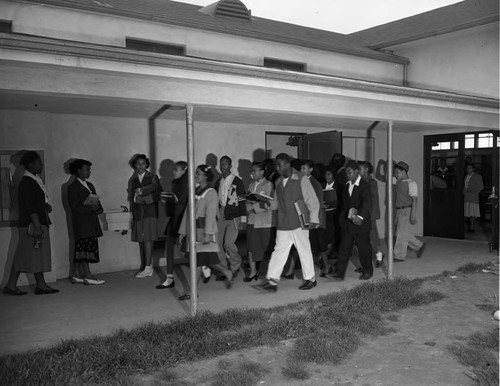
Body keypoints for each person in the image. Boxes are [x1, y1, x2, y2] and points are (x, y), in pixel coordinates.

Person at [253, 153, 320, 292]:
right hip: (283, 222)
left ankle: (311, 279)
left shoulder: (301, 179)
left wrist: (314, 219)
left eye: (280, 165)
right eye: (276, 165)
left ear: (288, 164)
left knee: (304, 249)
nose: (277, 168)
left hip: (299, 221)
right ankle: (272, 282)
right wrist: (266, 202)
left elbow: (312, 200)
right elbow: (276, 203)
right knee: (278, 251)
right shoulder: (278, 181)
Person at [3, 151, 59, 295]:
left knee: (31, 255)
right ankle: (17, 286)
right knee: (28, 254)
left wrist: (45, 206)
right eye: (39, 162)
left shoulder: (34, 180)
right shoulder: (27, 182)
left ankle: (37, 285)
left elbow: (36, 202)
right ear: (31, 164)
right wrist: (38, 225)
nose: (41, 164)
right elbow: (29, 206)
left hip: (35, 223)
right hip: (32, 225)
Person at [177, 165, 234, 300]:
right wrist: (183, 232)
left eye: (199, 174)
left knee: (199, 261)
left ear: (206, 177)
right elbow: (187, 212)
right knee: (202, 260)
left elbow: (211, 213)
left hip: (203, 232)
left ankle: (193, 292)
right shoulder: (196, 190)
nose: (196, 176)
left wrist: (208, 233)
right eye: (196, 173)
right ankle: (226, 272)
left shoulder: (211, 192)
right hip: (193, 231)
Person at [328, 161, 373, 281]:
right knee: (344, 248)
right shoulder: (346, 186)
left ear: (357, 172)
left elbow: (366, 203)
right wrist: (341, 221)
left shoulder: (364, 185)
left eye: (350, 172)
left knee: (363, 248)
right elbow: (343, 206)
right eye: (346, 172)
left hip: (360, 224)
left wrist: (360, 217)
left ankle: (368, 271)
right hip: (347, 224)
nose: (347, 174)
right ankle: (339, 273)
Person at [68, 159, 105, 285]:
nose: (89, 172)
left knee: (82, 248)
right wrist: (90, 208)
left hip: (91, 221)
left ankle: (77, 274)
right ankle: (88, 275)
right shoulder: (72, 187)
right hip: (81, 223)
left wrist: (98, 207)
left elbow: (95, 201)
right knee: (84, 249)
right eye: (87, 169)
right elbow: (74, 207)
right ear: (79, 170)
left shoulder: (89, 185)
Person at [128, 154, 162, 278]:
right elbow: (133, 199)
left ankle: (147, 267)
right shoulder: (133, 180)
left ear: (146, 164)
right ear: (135, 165)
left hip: (150, 212)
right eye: (138, 164)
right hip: (139, 213)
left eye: (143, 163)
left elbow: (158, 194)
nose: (141, 166)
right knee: (142, 240)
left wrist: (146, 200)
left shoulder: (153, 177)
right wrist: (133, 214)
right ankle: (148, 266)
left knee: (148, 239)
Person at [157, 161, 189, 289]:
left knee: (190, 250)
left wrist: (174, 199)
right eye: (174, 169)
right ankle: (169, 278)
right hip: (175, 218)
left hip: (185, 218)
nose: (173, 172)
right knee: (169, 246)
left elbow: (183, 204)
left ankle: (205, 268)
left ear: (183, 171)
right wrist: (166, 201)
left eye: (176, 169)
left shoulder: (187, 182)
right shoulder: (175, 182)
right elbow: (175, 205)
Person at [214, 155, 247, 277]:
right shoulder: (218, 182)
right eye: (221, 164)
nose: (223, 166)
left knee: (228, 243)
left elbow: (242, 201)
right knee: (218, 242)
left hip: (235, 215)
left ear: (230, 166)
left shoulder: (237, 181)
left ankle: (236, 264)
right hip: (221, 213)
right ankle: (223, 269)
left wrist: (243, 219)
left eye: (225, 164)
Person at [245, 161, 275, 282]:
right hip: (252, 220)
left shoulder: (268, 185)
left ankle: (267, 271)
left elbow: (269, 202)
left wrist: (255, 206)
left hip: (264, 221)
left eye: (255, 170)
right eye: (251, 170)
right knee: (251, 247)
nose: (252, 173)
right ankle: (253, 271)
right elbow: (247, 200)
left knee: (264, 246)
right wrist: (249, 207)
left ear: (262, 172)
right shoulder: (251, 185)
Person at [300, 160, 330, 276]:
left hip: (316, 218)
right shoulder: (301, 181)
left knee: (321, 244)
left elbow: (317, 203)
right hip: (306, 216)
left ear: (311, 170)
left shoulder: (315, 183)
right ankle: (314, 265)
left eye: (304, 169)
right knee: (311, 243)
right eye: (301, 169)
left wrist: (315, 220)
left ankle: (326, 266)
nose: (302, 171)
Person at [393, 161, 425, 261]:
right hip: (398, 210)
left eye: (397, 172)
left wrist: (413, 215)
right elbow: (381, 177)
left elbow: (415, 200)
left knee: (400, 234)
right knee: (402, 233)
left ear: (403, 171)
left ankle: (399, 255)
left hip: (406, 210)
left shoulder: (411, 183)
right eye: (395, 173)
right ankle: (419, 245)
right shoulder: (397, 181)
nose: (395, 175)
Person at [359, 161, 384, 268]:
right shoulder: (358, 181)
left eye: (360, 169)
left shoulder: (372, 182)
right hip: (361, 213)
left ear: (366, 170)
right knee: (362, 239)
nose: (358, 171)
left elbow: (372, 199)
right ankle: (366, 262)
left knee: (371, 237)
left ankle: (379, 255)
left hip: (369, 214)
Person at [464, 163, 484, 232]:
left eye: (470, 168)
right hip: (466, 197)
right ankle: (464, 228)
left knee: (472, 213)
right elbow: (465, 186)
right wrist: (463, 191)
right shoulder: (466, 176)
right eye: (467, 168)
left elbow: (481, 187)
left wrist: (471, 190)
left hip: (473, 197)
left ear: (473, 169)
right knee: (466, 212)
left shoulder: (477, 176)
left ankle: (472, 228)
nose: (468, 169)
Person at [323, 166, 337, 260]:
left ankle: (327, 254)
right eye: (326, 174)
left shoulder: (337, 186)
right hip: (324, 213)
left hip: (334, 214)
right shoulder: (322, 185)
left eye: (329, 174)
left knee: (331, 234)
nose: (327, 176)